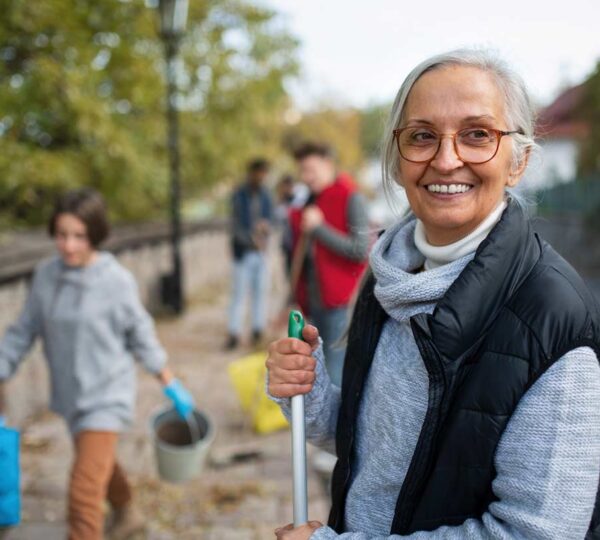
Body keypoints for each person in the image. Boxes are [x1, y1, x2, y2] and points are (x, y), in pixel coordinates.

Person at [267, 49, 600, 540]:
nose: (446, 160)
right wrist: (308, 394)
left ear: (519, 161)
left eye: (477, 135)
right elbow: (378, 445)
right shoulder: (390, 278)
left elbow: (535, 533)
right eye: (422, 136)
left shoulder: (551, 317)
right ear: (399, 160)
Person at [0, 188, 196, 540]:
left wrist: (169, 382)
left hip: (107, 396)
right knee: (100, 467)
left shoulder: (115, 280)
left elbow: (141, 334)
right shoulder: (46, 275)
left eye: (79, 236)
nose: (69, 245)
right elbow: (23, 331)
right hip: (71, 396)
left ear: (95, 234)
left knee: (83, 494)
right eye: (62, 235)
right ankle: (127, 514)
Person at [288, 143, 369, 387]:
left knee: (335, 370)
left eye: (311, 169)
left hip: (340, 302)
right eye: (302, 171)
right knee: (317, 365)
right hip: (313, 299)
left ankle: (336, 425)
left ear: (328, 163)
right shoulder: (310, 200)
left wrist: (318, 229)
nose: (306, 177)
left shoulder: (351, 196)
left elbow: (360, 250)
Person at [226, 158, 274, 350]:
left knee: (260, 292)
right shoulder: (239, 195)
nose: (261, 177)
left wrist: (265, 230)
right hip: (243, 253)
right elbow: (234, 226)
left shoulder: (266, 196)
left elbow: (271, 220)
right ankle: (234, 332)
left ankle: (257, 329)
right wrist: (250, 239)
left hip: (260, 253)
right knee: (239, 294)